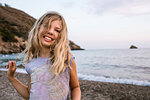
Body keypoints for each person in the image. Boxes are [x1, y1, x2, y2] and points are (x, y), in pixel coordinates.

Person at [6, 11, 81, 100]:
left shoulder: (66, 60)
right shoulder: (31, 63)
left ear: (61, 36)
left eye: (57, 30)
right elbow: (29, 94)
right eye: (47, 26)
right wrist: (11, 78)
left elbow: (75, 87)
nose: (50, 31)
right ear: (38, 28)